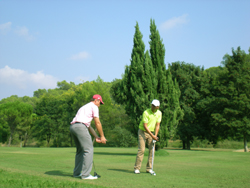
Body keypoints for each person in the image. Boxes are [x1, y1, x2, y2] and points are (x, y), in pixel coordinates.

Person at [70, 94, 107, 180]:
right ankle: (86, 175)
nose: (99, 105)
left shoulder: (84, 107)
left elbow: (89, 126)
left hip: (73, 127)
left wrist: (96, 136)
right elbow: (97, 123)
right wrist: (102, 137)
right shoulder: (94, 107)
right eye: (99, 103)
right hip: (80, 127)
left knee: (80, 151)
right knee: (88, 149)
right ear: (96, 100)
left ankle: (76, 173)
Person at [134, 99, 162, 174]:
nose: (152, 107)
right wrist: (152, 135)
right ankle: (137, 168)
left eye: (154, 106)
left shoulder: (159, 113)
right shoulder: (146, 112)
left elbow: (157, 125)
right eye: (152, 105)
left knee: (152, 151)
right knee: (142, 150)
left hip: (152, 133)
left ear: (158, 107)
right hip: (142, 132)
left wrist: (155, 136)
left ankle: (149, 169)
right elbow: (145, 126)